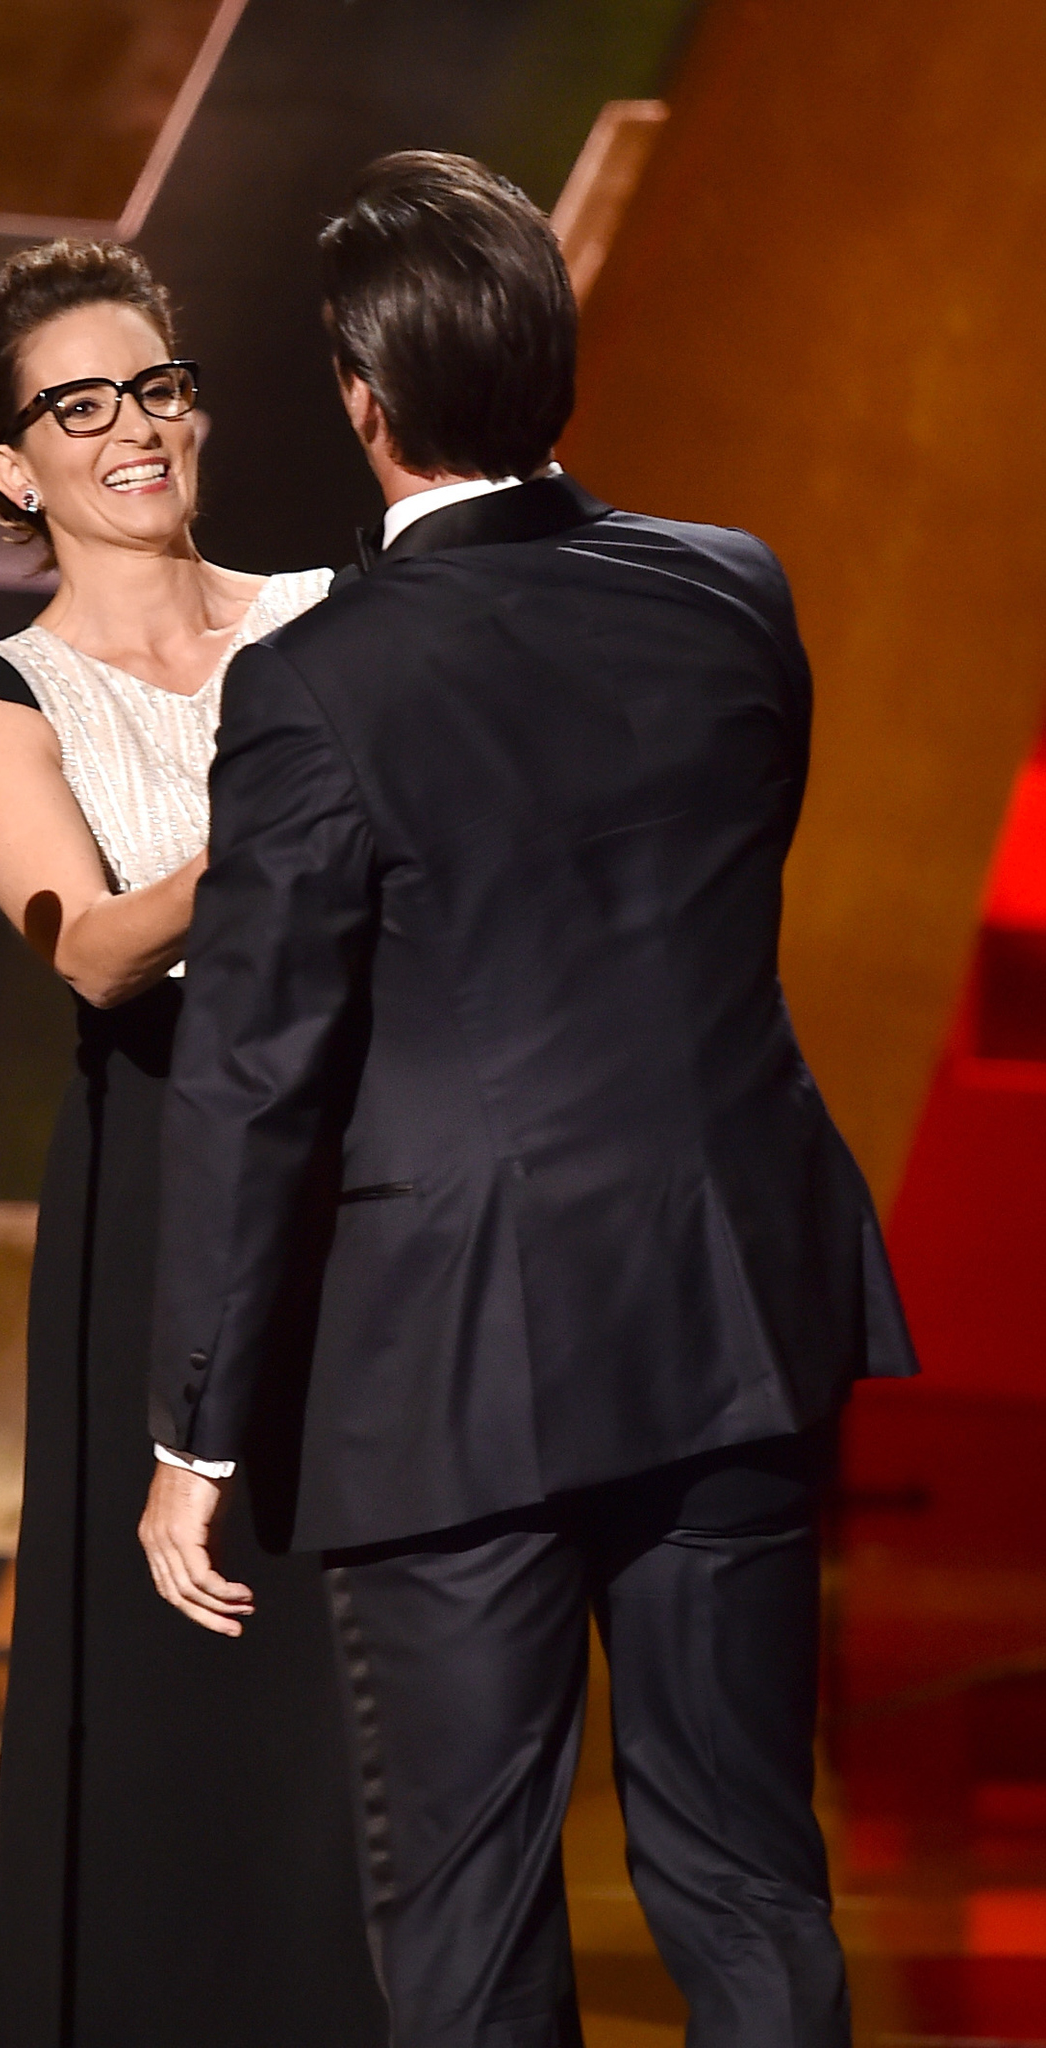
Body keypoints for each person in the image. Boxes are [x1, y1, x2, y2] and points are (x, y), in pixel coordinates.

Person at [139, 154, 919, 2048]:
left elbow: (257, 1069)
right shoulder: (731, 594)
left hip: (454, 1362)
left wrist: (197, 1435)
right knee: (746, 1874)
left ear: (361, 392)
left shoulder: (316, 685)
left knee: (474, 1917)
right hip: (730, 1311)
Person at [0, 239, 383, 2048]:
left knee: (351, 1643)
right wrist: (282, 824)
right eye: (84, 403)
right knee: (172, 1644)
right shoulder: (0, 692)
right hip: (161, 1169)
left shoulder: (329, 616)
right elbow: (96, 945)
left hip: (364, 1161)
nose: (139, 428)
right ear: (7, 468)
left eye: (162, 385)